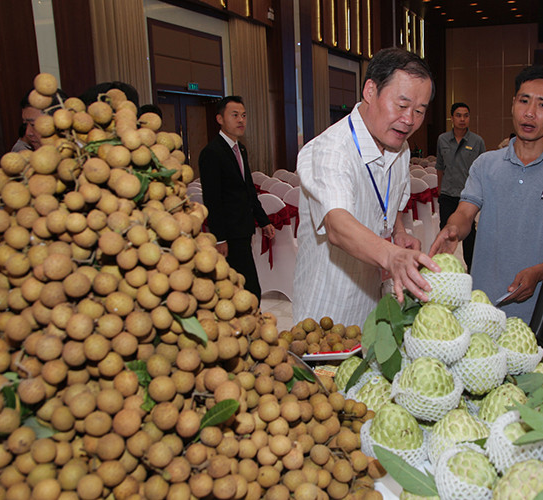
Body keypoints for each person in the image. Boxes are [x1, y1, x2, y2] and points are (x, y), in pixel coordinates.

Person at [431, 65, 543, 323]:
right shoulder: (486, 164)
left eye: (542, 105)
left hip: (540, 308)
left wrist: (541, 272)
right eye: (524, 101)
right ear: (513, 104)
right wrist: (453, 230)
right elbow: (465, 212)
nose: (529, 113)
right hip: (482, 306)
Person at [293, 48, 438, 327]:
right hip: (327, 308)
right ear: (370, 91)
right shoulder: (332, 149)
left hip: (373, 297)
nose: (409, 120)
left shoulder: (401, 148)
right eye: (402, 105)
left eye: (419, 111)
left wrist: (397, 232)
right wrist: (392, 256)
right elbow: (337, 225)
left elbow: (388, 200)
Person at [199, 96, 275, 304]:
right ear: (220, 119)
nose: (241, 120)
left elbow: (249, 190)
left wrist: (264, 220)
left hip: (243, 228)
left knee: (242, 285)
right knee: (246, 288)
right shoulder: (212, 153)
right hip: (229, 234)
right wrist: (220, 238)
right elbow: (212, 200)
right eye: (234, 115)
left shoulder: (240, 149)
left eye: (243, 115)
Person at [435, 102, 486, 270]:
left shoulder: (477, 141)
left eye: (466, 115)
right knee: (446, 232)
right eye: (458, 115)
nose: (462, 119)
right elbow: (440, 167)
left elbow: (483, 170)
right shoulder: (442, 139)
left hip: (468, 197)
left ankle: (473, 271)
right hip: (448, 194)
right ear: (452, 118)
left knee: (470, 236)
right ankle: (443, 271)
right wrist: (440, 189)